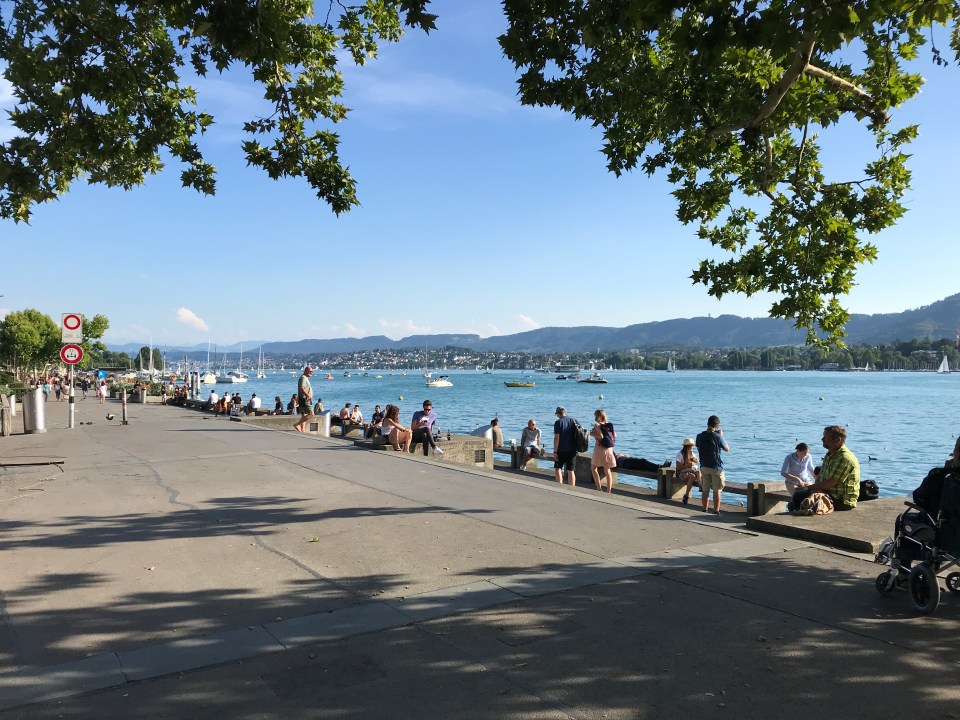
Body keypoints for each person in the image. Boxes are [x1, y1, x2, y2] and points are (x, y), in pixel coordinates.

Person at [790, 426, 860, 511]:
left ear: (837, 440)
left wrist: (807, 488)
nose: (822, 439)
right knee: (793, 503)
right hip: (829, 494)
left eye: (825, 437)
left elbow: (829, 483)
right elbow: (821, 477)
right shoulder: (830, 454)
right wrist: (810, 488)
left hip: (841, 500)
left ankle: (800, 516)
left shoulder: (844, 458)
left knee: (798, 496)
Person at [695, 415, 730, 515]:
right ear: (717, 425)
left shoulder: (699, 436)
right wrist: (721, 435)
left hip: (704, 466)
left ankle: (704, 510)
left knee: (705, 490)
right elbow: (727, 449)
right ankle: (716, 511)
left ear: (707, 423)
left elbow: (699, 448)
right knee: (717, 490)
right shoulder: (718, 436)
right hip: (716, 467)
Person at [590, 409, 617, 493]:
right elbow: (615, 435)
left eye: (595, 416)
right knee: (607, 470)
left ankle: (599, 488)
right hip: (609, 449)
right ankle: (608, 491)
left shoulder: (597, 425)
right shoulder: (609, 425)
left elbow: (601, 436)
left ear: (598, 416)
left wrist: (591, 434)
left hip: (600, 449)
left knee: (593, 468)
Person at [552, 406, 577, 486]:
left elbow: (557, 437)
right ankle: (572, 488)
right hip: (572, 449)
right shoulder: (573, 420)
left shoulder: (558, 422)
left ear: (558, 413)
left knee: (558, 468)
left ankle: (559, 486)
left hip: (561, 450)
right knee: (571, 470)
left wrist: (555, 451)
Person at [677, 438, 702, 505]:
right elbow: (678, 468)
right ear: (688, 446)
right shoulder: (680, 454)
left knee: (697, 473)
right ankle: (687, 495)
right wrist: (688, 465)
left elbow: (697, 462)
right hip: (682, 473)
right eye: (692, 446)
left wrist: (695, 460)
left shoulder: (692, 454)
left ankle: (700, 485)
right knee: (693, 475)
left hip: (691, 471)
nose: (693, 447)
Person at [293, 366, 314, 432]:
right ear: (306, 371)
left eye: (312, 371)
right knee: (311, 414)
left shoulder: (304, 378)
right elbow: (302, 388)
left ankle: (302, 430)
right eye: (310, 371)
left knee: (304, 415)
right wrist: (308, 395)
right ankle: (297, 424)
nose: (311, 373)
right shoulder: (303, 378)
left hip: (303, 399)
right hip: (305, 399)